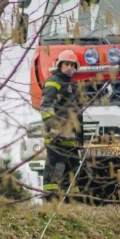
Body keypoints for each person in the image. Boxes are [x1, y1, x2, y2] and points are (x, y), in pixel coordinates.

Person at [40, 50, 84, 199]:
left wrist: (80, 140)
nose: (69, 68)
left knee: (73, 171)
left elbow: (78, 114)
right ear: (59, 65)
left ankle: (72, 202)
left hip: (71, 139)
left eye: (72, 65)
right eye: (66, 64)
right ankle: (51, 199)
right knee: (55, 169)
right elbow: (46, 106)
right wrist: (53, 127)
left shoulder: (72, 85)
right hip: (56, 137)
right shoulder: (54, 81)